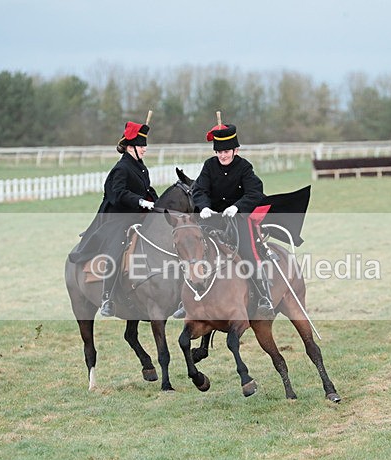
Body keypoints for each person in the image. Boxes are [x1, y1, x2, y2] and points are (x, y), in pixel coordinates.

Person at [178, 122, 274, 319]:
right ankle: (183, 301)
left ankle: (264, 296)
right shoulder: (209, 166)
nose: (223, 155)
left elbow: (255, 192)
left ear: (235, 150)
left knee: (247, 251)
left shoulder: (245, 167)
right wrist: (204, 206)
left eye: (226, 151)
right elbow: (199, 190)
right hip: (210, 218)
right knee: (191, 250)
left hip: (236, 218)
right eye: (219, 152)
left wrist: (237, 207)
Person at [68, 120, 157, 317]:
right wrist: (141, 201)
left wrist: (157, 204)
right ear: (130, 147)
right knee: (119, 245)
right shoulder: (121, 169)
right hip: (117, 218)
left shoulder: (141, 167)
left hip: (137, 215)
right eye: (142, 146)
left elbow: (146, 190)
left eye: (145, 145)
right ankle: (107, 296)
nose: (145, 149)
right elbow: (117, 194)